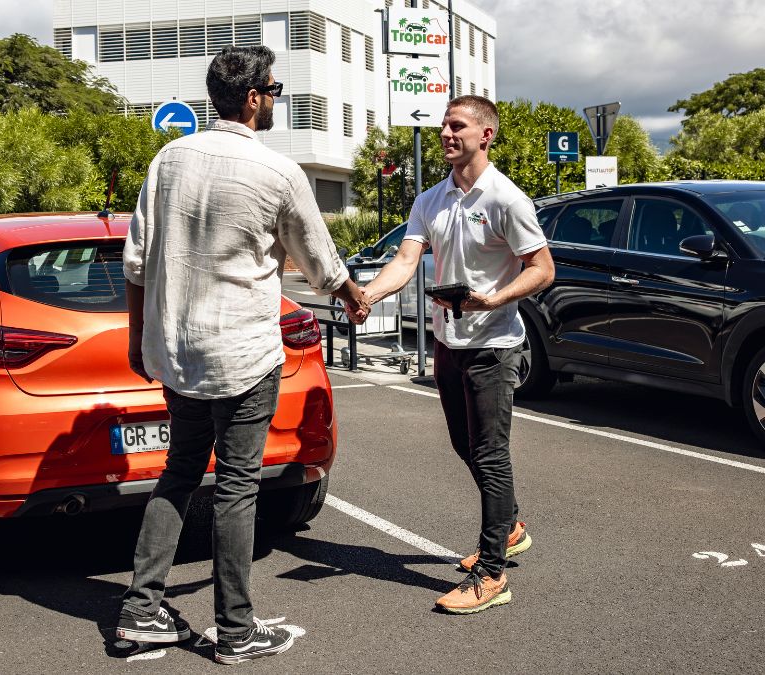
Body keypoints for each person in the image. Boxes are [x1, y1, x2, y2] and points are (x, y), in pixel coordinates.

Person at [117, 45, 368, 663]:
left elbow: (136, 262)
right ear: (253, 98)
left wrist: (136, 339)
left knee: (178, 474)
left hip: (177, 352)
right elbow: (319, 260)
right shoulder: (276, 172)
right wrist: (354, 296)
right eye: (275, 90)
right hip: (242, 354)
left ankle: (141, 611)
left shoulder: (168, 160)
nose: (277, 99)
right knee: (236, 486)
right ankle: (235, 629)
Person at [360, 95, 555, 614]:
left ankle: (492, 576)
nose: (447, 133)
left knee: (491, 453)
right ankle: (509, 526)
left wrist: (493, 298)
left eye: (457, 125)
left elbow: (542, 269)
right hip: (449, 341)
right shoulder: (431, 199)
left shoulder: (506, 199)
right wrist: (369, 295)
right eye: (445, 125)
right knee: (462, 443)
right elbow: (406, 260)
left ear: (485, 135)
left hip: (494, 343)